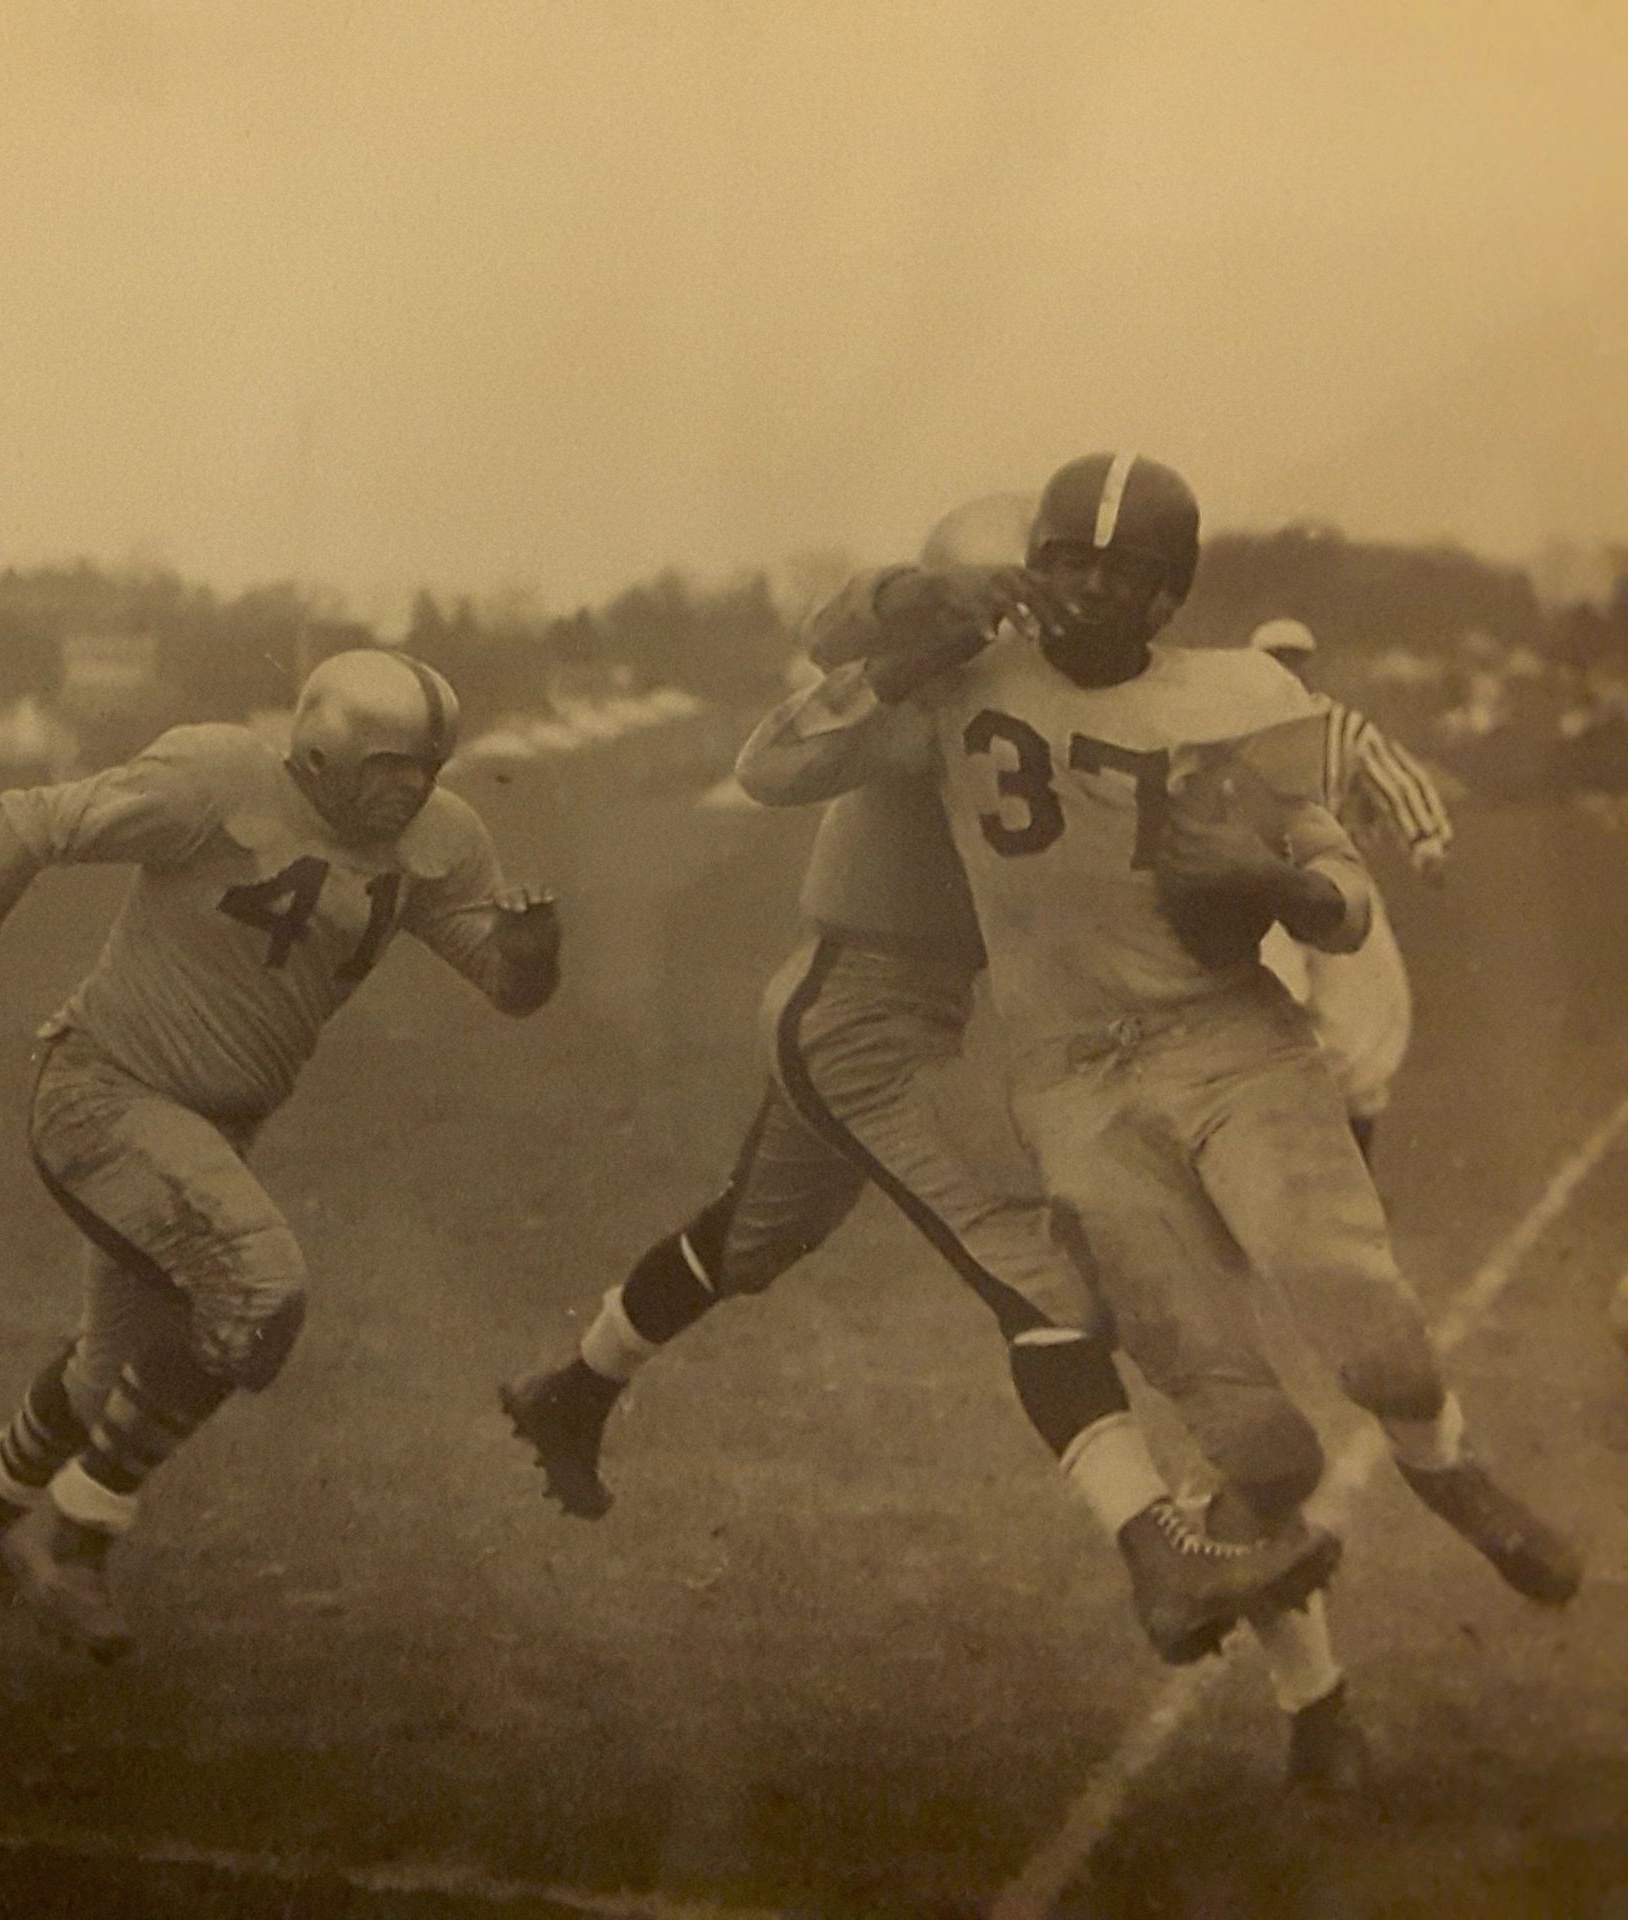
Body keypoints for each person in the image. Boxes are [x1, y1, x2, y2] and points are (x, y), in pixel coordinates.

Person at [735, 450, 1580, 1791]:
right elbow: (773, 764)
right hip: (1076, 1081)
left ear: (1172, 594)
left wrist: (1297, 893)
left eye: (1122, 573)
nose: (1084, 593)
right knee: (1259, 1443)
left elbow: (1340, 876)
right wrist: (899, 654)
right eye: (1065, 559)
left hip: (1235, 1046)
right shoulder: (966, 678)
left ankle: (1451, 1470)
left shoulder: (1239, 695)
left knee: (1378, 1340)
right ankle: (1319, 1706)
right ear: (1031, 566)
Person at [500, 495, 1339, 1675]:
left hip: (922, 1016)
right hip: (861, 1014)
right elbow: (809, 682)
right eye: (1048, 585)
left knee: (747, 1243)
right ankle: (1158, 1557)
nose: (1070, 613)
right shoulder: (939, 690)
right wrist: (920, 610)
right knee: (1044, 1273)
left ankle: (569, 1391)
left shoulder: (1065, 703)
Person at [0, 649, 561, 1661]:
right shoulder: (215, 780)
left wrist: (530, 954)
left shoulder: (436, 839)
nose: (412, 788)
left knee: (113, 1371)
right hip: (107, 1092)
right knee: (258, 1288)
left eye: (427, 767)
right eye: (390, 764)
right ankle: (81, 1544)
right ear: (317, 751)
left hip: (213, 1128)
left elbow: (507, 989)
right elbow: (28, 820)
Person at [1246, 618, 1452, 1161]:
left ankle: (1353, 1160)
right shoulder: (1230, 727)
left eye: (1292, 660)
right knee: (1264, 1018)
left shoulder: (1342, 727)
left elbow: (1397, 778)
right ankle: (1272, 1163)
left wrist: (1426, 841)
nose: (1283, 671)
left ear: (1306, 665)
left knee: (1365, 1023)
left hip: (1337, 887)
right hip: (1260, 893)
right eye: (1272, 660)